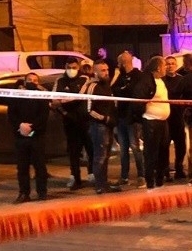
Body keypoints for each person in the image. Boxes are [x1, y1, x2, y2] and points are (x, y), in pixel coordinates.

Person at [51, 58, 93, 191]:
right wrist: (63, 111)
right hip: (69, 121)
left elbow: (79, 96)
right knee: (73, 151)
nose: (71, 70)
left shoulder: (84, 79)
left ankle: (92, 174)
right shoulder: (60, 80)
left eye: (74, 67)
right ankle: (75, 177)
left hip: (84, 121)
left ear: (78, 67)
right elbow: (53, 99)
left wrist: (61, 101)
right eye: (69, 67)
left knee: (90, 148)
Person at [7, 73, 49, 203]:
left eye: (35, 80)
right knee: (22, 167)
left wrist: (32, 128)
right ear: (25, 82)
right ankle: (24, 193)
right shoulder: (17, 97)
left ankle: (42, 192)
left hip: (37, 136)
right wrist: (20, 126)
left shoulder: (41, 97)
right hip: (21, 136)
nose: (32, 82)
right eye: (29, 80)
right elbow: (11, 115)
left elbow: (43, 116)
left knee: (40, 166)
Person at [86, 59, 122, 194]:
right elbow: (89, 109)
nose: (106, 72)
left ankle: (104, 182)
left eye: (107, 70)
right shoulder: (93, 87)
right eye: (103, 70)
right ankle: (100, 185)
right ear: (95, 72)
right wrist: (104, 119)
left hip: (109, 125)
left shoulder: (107, 85)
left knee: (106, 156)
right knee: (100, 157)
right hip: (99, 126)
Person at [134, 56, 170, 189]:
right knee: (151, 153)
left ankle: (160, 180)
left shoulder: (161, 80)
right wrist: (142, 115)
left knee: (163, 151)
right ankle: (150, 181)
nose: (166, 68)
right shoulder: (146, 81)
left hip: (163, 121)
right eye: (164, 65)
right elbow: (139, 100)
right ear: (158, 68)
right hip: (151, 121)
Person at [112, 51, 145, 187]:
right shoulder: (120, 76)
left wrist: (123, 89)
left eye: (119, 63)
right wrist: (119, 82)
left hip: (133, 118)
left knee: (135, 147)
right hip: (121, 117)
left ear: (124, 63)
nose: (117, 65)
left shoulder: (138, 76)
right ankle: (124, 176)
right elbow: (114, 89)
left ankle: (141, 175)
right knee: (123, 148)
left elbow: (132, 91)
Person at [163, 55, 187, 180]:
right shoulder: (161, 80)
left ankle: (179, 168)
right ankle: (165, 171)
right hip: (165, 118)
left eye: (172, 63)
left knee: (181, 145)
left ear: (176, 66)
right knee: (164, 145)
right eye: (168, 64)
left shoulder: (182, 80)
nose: (170, 66)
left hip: (178, 118)